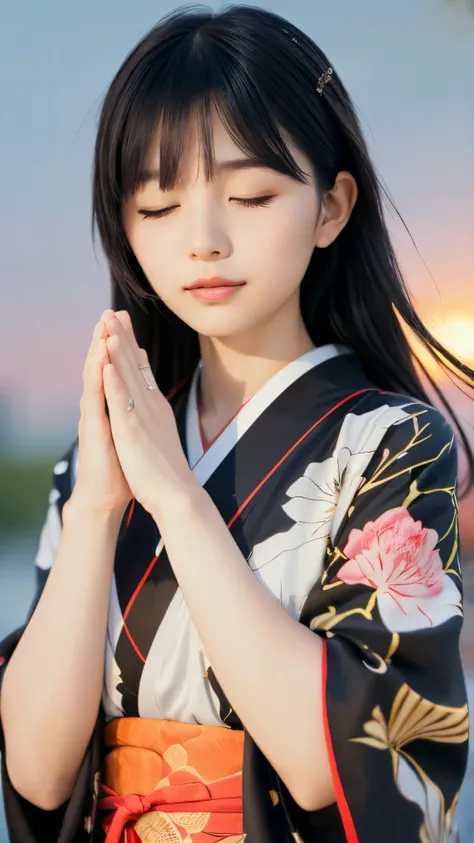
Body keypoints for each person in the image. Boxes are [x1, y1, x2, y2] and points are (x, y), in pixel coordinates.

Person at [0, 4, 471, 841]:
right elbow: (36, 769)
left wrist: (179, 503)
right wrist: (98, 508)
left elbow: (337, 765)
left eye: (250, 195)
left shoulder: (394, 447)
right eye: (158, 206)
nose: (204, 241)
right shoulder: (101, 461)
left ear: (331, 208)